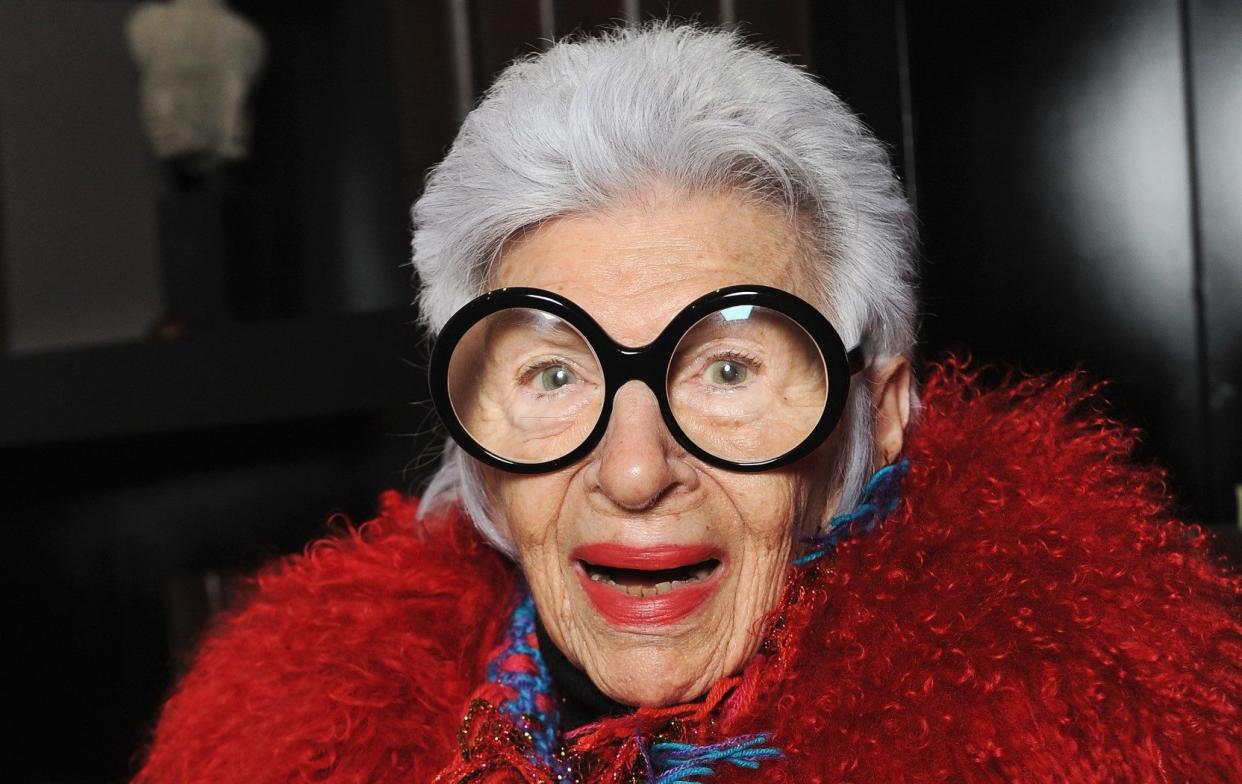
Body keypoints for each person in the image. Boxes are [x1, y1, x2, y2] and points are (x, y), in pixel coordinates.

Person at [134, 24, 1242, 782]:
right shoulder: (289, 735)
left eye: (726, 369)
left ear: (884, 405)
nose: (631, 470)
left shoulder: (1099, 730)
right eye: (556, 374)